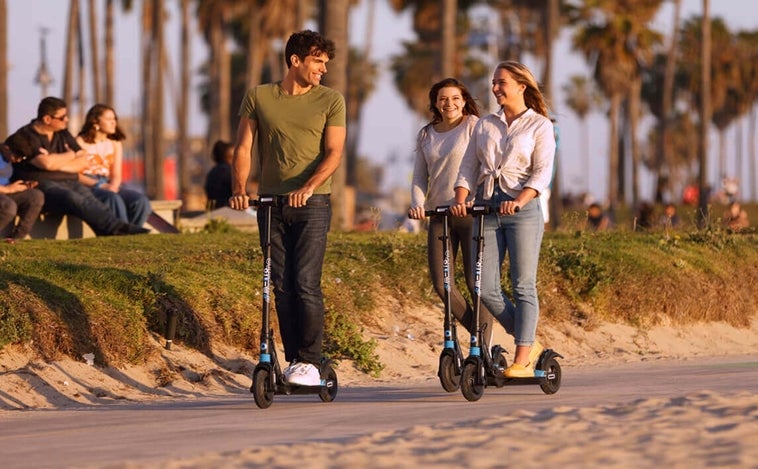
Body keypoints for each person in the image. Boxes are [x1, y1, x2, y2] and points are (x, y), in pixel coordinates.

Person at [228, 30, 346, 387]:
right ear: (295, 61)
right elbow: (243, 148)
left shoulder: (331, 100)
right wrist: (239, 189)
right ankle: (296, 360)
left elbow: (334, 152)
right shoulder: (259, 96)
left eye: (325, 63)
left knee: (305, 282)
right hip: (270, 204)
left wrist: (308, 187)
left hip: (314, 203)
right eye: (317, 62)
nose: (323, 69)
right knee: (280, 285)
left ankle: (310, 359)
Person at [450, 61, 555, 378]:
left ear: (522, 86)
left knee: (523, 285)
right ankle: (528, 341)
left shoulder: (539, 125)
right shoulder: (485, 125)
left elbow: (542, 171)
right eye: (494, 82)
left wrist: (520, 200)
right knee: (486, 288)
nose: (495, 88)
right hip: (487, 207)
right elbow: (468, 167)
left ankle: (522, 359)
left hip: (522, 210)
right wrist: (460, 199)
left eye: (502, 82)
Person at [408, 78, 494, 343]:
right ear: (435, 102)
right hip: (439, 215)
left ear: (464, 100)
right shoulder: (426, 134)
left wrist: (475, 199)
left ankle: (482, 347)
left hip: (471, 213)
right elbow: (420, 177)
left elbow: (485, 166)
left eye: (455, 98)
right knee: (442, 284)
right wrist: (417, 205)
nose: (450, 104)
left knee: (474, 283)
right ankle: (481, 338)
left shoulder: (474, 127)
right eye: (443, 99)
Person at [4, 97, 148, 236]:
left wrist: (57, 161)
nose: (67, 120)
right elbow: (46, 163)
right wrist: (70, 156)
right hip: (42, 185)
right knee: (73, 198)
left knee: (94, 200)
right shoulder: (25, 137)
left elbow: (83, 159)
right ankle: (118, 230)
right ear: (47, 119)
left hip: (70, 180)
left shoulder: (62, 132)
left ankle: (114, 231)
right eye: (62, 117)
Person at [76, 104, 151, 227]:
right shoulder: (80, 142)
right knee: (114, 199)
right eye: (109, 119)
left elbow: (116, 173)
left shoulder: (115, 143)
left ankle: (133, 236)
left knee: (140, 201)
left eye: (114, 119)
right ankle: (121, 235)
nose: (114, 122)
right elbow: (75, 175)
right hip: (88, 184)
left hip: (109, 183)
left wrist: (114, 186)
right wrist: (99, 185)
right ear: (96, 121)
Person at [0, 143, 44, 242]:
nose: (19, 160)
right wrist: (7, 189)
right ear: (7, 148)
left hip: (6, 191)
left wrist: (23, 184)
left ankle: (15, 239)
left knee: (36, 196)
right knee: (9, 206)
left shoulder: (9, 159)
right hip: (4, 192)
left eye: (22, 158)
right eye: (18, 156)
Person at [204, 140, 234, 209]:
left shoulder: (212, 172)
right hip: (227, 211)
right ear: (229, 155)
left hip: (213, 210)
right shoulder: (229, 171)